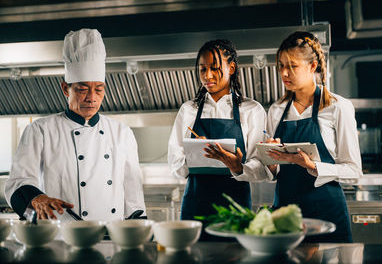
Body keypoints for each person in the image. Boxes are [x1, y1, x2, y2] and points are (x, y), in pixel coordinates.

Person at [5, 29, 146, 221]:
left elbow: (133, 195)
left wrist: (136, 232)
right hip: (61, 235)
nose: (91, 98)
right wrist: (37, 198)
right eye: (82, 89)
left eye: (98, 89)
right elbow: (17, 181)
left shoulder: (122, 132)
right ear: (65, 88)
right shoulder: (40, 130)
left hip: (111, 235)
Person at [264, 31, 363, 242]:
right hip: (285, 214)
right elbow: (274, 173)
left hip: (327, 211)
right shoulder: (276, 110)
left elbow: (354, 172)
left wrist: (313, 166)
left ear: (312, 66)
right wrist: (271, 162)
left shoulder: (338, 107)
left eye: (292, 66)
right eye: (281, 65)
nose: (284, 73)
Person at [168, 39, 267, 240]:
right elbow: (175, 163)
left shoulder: (252, 110)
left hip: (235, 208)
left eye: (214, 68)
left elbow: (262, 167)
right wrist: (195, 153)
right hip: (196, 206)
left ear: (231, 68)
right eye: (202, 69)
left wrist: (238, 167)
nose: (208, 76)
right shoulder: (189, 110)